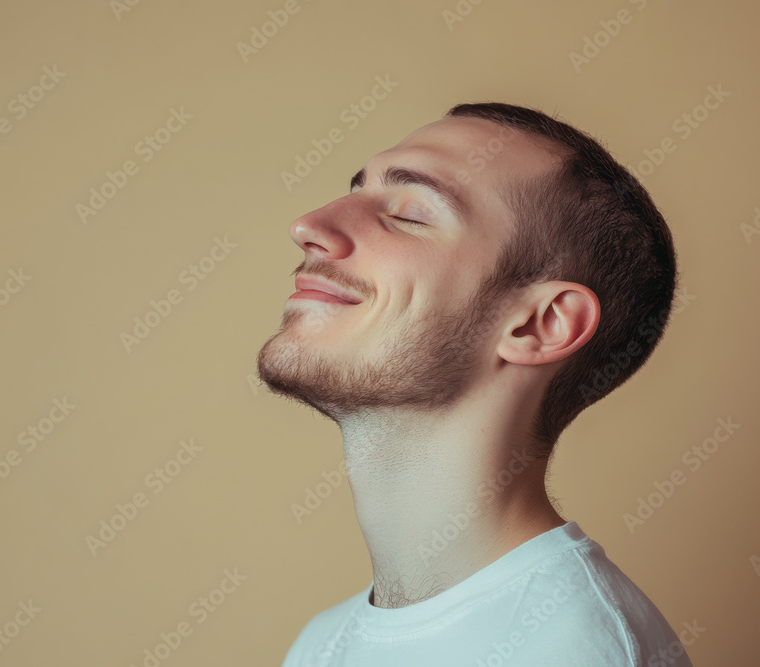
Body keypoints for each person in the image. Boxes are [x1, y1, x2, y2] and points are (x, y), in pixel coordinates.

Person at [257, 101, 692, 666]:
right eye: (355, 191)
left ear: (540, 325)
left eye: (410, 214)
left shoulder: (570, 650)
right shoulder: (321, 645)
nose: (308, 226)